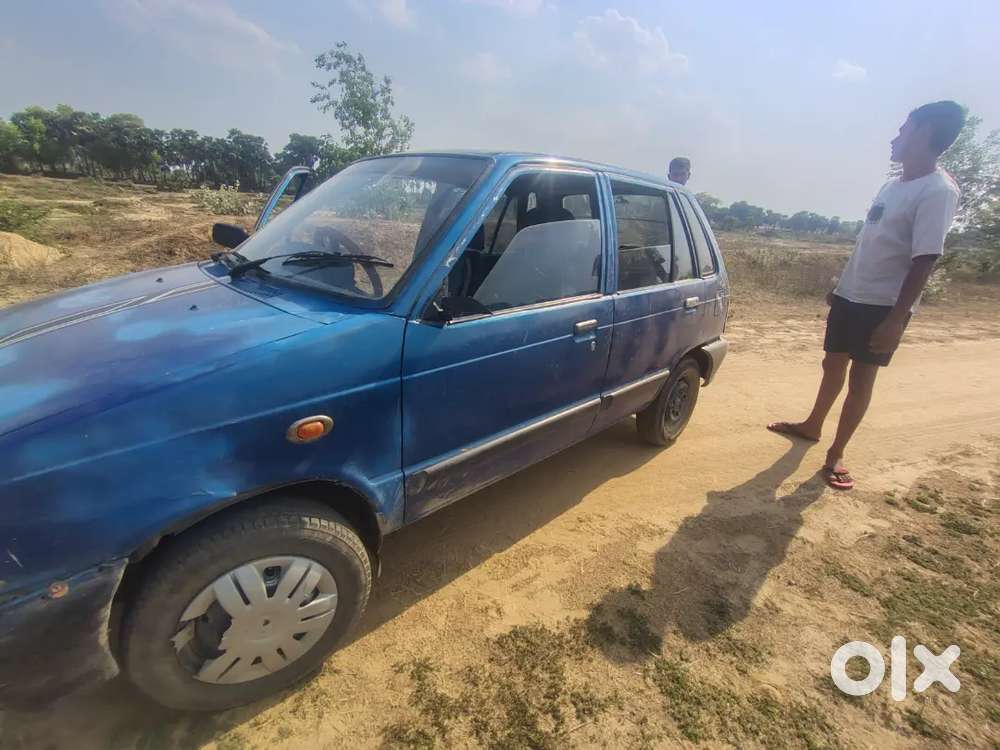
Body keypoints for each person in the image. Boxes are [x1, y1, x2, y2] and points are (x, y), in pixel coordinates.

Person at [767, 101, 964, 491]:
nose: (895, 137)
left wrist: (895, 320)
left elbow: (924, 261)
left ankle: (836, 452)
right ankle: (812, 426)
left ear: (924, 134)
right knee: (832, 364)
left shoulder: (938, 191)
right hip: (851, 295)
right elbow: (872, 241)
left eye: (904, 129)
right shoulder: (892, 185)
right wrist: (841, 286)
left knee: (861, 377)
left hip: (883, 305)